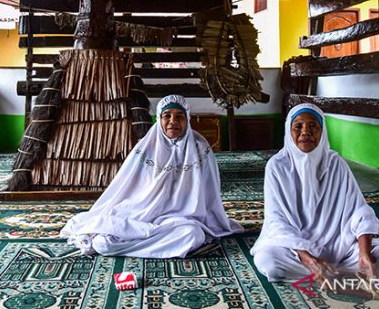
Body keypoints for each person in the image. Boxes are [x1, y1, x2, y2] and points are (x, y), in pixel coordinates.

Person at [61, 94, 243, 258]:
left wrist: (210, 219)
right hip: (142, 214)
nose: (173, 121)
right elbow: (126, 186)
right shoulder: (146, 146)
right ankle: (149, 240)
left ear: (187, 120)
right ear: (159, 119)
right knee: (103, 242)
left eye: (179, 116)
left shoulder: (199, 146)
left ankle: (136, 243)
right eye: (167, 116)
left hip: (179, 218)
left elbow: (210, 190)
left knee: (193, 234)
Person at [251, 103, 379, 287]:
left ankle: (331, 272)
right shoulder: (277, 166)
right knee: (270, 263)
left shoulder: (336, 164)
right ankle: (335, 273)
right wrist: (309, 260)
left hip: (339, 244)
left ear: (322, 132)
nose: (305, 132)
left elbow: (359, 210)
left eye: (313, 126)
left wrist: (364, 254)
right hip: (295, 249)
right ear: (288, 131)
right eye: (298, 126)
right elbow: (277, 220)